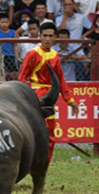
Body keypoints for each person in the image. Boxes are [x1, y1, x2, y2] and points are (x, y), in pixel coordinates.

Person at [19, 23, 79, 166]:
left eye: (50, 36)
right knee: (32, 135)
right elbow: (22, 78)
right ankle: (24, 166)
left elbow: (60, 80)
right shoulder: (33, 54)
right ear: (39, 36)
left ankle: (42, 170)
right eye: (44, 36)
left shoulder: (55, 56)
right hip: (35, 98)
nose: (47, 39)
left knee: (50, 137)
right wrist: (24, 98)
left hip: (50, 99)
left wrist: (70, 100)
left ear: (55, 38)